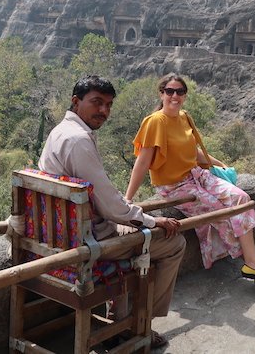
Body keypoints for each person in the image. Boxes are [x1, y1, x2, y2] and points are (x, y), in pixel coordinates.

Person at [38, 75, 186, 349]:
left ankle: (118, 320)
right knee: (175, 242)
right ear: (76, 101)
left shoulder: (59, 132)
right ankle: (138, 323)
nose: (103, 111)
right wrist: (154, 220)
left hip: (59, 237)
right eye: (97, 103)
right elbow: (111, 206)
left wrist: (130, 214)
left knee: (130, 227)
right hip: (86, 245)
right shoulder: (79, 140)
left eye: (108, 105)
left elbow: (104, 200)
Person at [126, 73, 255, 295]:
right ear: (161, 93)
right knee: (222, 211)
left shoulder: (184, 117)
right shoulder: (155, 122)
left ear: (185, 95)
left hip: (197, 175)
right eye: (170, 91)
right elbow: (143, 162)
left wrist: (216, 163)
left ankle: (252, 263)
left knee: (241, 198)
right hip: (174, 185)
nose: (175, 96)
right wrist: (128, 198)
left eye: (180, 92)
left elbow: (191, 152)